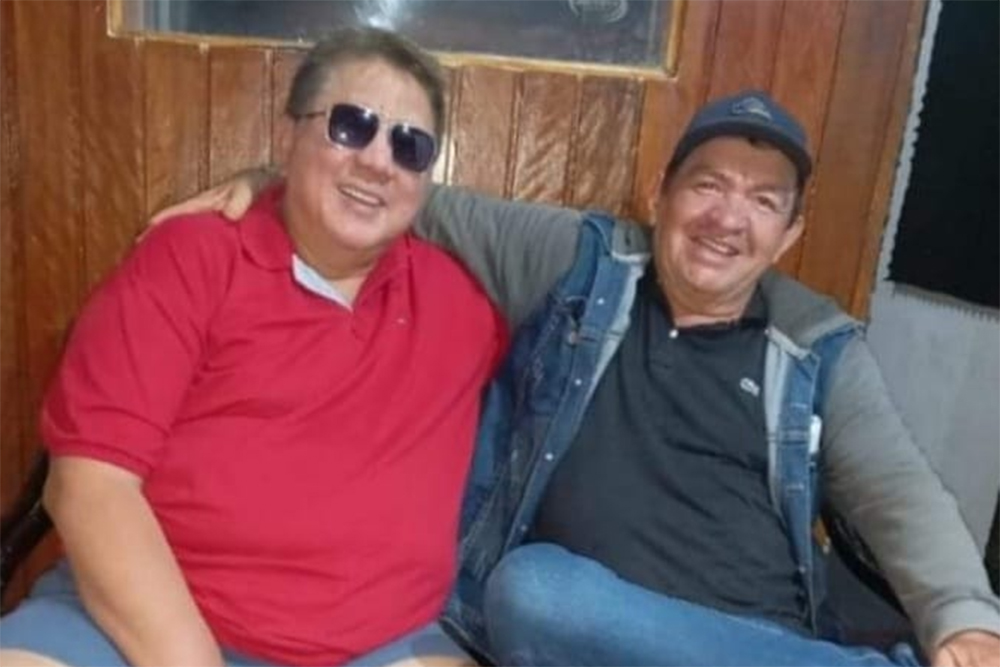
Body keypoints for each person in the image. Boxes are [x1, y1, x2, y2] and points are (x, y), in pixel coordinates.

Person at [162, 88, 1000, 667]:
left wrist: (964, 615)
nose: (726, 217)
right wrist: (278, 184)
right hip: (568, 633)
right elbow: (416, 201)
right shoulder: (583, 264)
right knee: (533, 590)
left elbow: (898, 489)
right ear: (660, 193)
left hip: (750, 641)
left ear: (788, 233)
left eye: (763, 200)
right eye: (707, 184)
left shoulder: (814, 342)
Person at [0, 28, 505, 667]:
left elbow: (602, 264)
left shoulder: (464, 302)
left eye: (410, 146)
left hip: (381, 646)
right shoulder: (189, 257)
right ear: (287, 134)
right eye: (351, 126)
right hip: (143, 626)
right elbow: (88, 485)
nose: (379, 161)